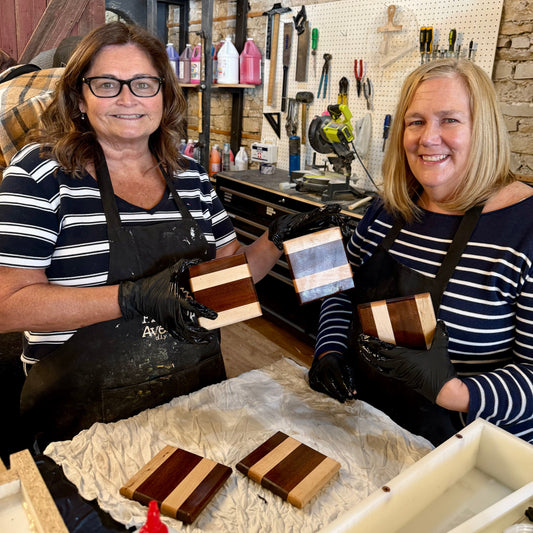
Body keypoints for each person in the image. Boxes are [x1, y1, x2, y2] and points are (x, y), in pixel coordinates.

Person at [0, 21, 341, 448]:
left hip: (192, 399)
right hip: (80, 421)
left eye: (143, 84)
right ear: (80, 99)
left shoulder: (191, 178)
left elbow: (229, 279)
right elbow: (7, 307)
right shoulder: (42, 175)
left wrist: (275, 239)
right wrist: (131, 297)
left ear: (163, 95)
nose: (127, 99)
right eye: (107, 84)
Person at [308, 58, 533, 446]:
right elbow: (339, 289)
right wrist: (328, 349)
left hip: (470, 453)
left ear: (485, 131)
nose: (428, 138)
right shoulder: (388, 207)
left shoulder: (524, 229)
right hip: (372, 428)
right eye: (416, 122)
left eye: (449, 120)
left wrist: (452, 391)